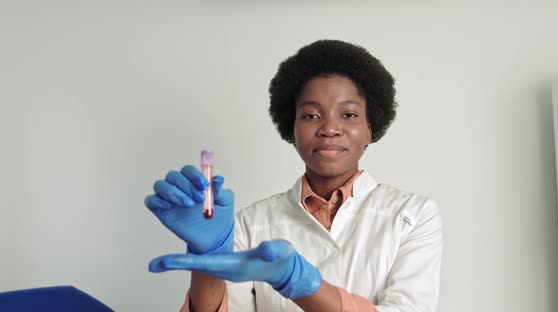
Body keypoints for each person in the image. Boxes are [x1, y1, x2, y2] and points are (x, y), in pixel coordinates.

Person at [145, 39, 443, 312]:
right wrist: (207, 258)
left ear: (370, 128)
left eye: (348, 115)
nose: (329, 128)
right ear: (292, 129)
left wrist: (298, 281)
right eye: (311, 115)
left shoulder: (413, 215)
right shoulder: (252, 223)